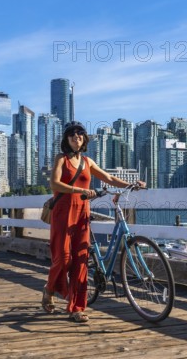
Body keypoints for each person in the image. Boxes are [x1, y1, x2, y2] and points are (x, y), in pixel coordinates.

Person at [42, 121, 145, 323]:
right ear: (66, 139)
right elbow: (54, 183)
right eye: (71, 134)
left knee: (80, 259)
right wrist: (80, 191)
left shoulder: (88, 162)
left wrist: (131, 184)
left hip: (82, 212)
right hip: (63, 212)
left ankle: (76, 308)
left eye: (80, 133)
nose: (76, 136)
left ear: (84, 139)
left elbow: (108, 177)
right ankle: (50, 288)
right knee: (63, 258)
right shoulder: (61, 159)